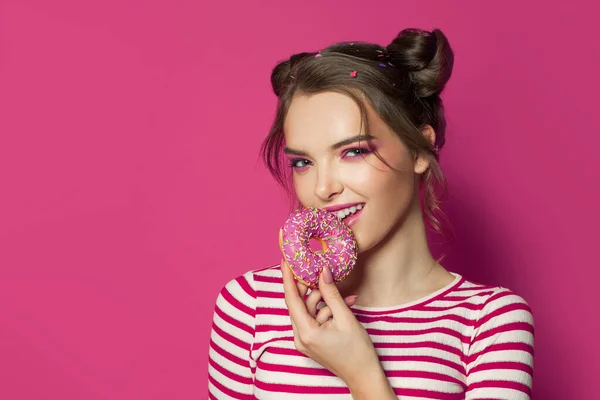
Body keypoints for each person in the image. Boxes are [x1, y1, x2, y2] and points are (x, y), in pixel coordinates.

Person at [207, 28, 534, 399]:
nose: (322, 187)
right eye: (303, 162)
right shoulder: (249, 306)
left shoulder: (488, 323)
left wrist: (363, 376)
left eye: (354, 151)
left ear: (419, 151)